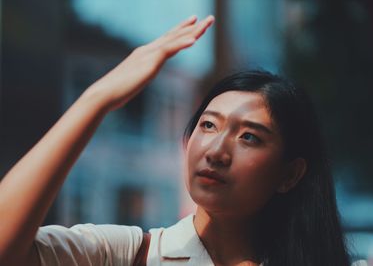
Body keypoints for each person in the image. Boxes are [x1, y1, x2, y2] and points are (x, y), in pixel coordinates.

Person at [0, 15, 352, 266]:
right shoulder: (128, 254)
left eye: (248, 137)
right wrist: (98, 98)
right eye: (208, 125)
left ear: (290, 175)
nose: (215, 151)